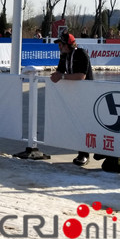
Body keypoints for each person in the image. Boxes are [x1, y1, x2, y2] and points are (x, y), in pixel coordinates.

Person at [50, 32, 94, 166]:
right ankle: (81, 151)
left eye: (60, 44)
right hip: (72, 94)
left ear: (67, 45)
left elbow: (81, 76)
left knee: (84, 124)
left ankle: (84, 153)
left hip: (86, 93)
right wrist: (56, 75)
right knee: (74, 123)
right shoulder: (64, 55)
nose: (59, 47)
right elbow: (60, 71)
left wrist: (61, 77)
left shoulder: (81, 53)